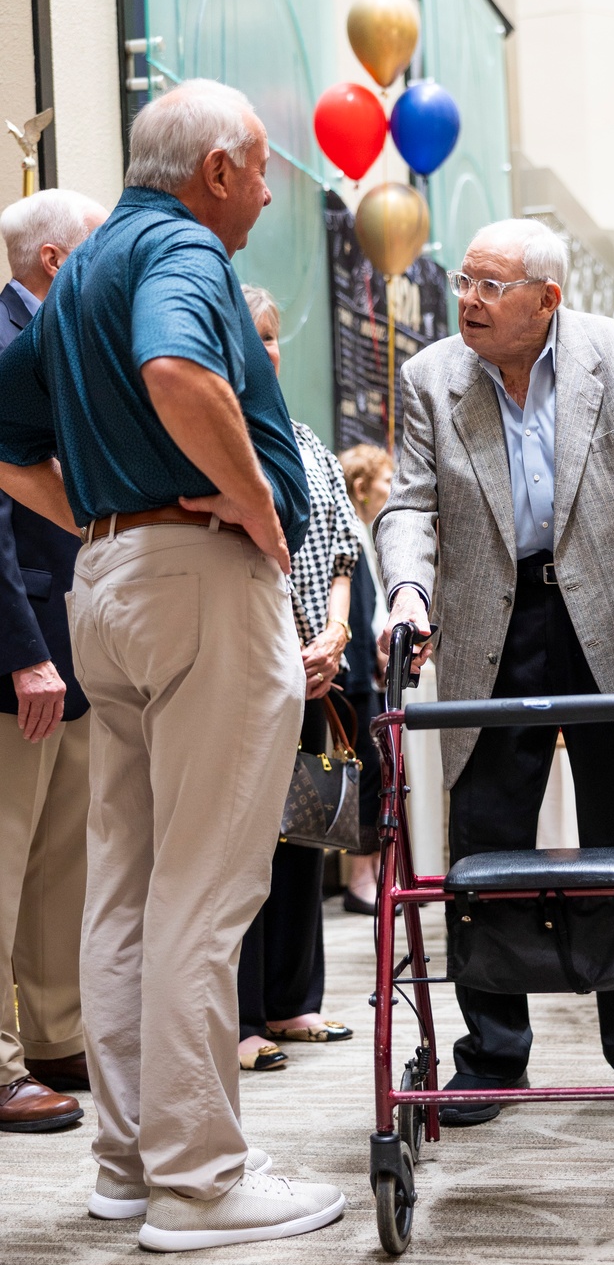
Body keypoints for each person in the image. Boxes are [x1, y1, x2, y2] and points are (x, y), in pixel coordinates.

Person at [0, 79, 345, 1248]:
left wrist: (96, 513)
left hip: (112, 584)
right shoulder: (184, 251)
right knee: (205, 888)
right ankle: (200, 1180)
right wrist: (253, 506)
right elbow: (179, 374)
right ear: (215, 170)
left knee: (131, 886)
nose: (263, 191)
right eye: (259, 171)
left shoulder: (86, 264)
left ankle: (132, 1163)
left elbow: (4, 433)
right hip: (195, 583)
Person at [376, 217, 614, 1124]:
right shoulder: (432, 377)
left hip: (610, 616)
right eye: (464, 279)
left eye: (492, 286)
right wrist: (407, 592)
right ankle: (490, 1055)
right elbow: (409, 503)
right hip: (492, 623)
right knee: (484, 836)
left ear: (547, 298)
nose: (469, 301)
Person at [0, 189, 105, 1133]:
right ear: (57, 264)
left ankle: (56, 1034)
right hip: (20, 652)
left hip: (71, 648)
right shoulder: (5, 346)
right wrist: (26, 655)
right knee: (1, 859)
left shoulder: (56, 345)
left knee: (57, 860)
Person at [237, 284, 359, 1067]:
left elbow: (345, 550)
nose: (265, 350)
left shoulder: (307, 440)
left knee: (304, 835)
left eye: (273, 336)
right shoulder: (207, 439)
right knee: (242, 848)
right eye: (249, 336)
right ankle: (240, 1019)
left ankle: (292, 1004)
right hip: (245, 670)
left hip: (316, 668)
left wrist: (338, 635)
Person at [339, 443, 394, 912]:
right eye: (385, 479)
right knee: (364, 772)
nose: (391, 488)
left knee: (376, 773)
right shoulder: (349, 534)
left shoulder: (366, 533)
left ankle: (374, 873)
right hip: (353, 673)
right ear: (362, 486)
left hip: (365, 670)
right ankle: (360, 879)